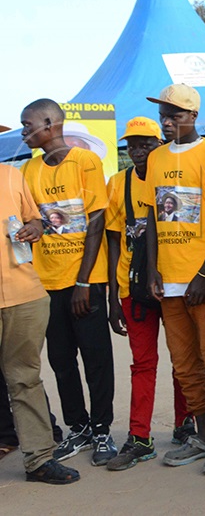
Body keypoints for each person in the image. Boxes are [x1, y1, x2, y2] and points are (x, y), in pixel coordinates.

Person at [143, 83, 205, 474]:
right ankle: (203, 434)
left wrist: (204, 273)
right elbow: (153, 217)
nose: (167, 121)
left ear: (193, 116)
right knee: (184, 363)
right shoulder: (155, 158)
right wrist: (153, 268)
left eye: (175, 114)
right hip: (168, 280)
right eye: (163, 114)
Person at [19, 98, 118, 465]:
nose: (25, 132)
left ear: (50, 122)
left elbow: (95, 222)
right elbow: (36, 219)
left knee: (96, 358)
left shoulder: (86, 162)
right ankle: (77, 427)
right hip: (46, 282)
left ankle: (102, 429)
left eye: (28, 125)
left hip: (84, 282)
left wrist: (83, 282)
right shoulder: (30, 171)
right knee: (61, 360)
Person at [104, 116, 192, 471]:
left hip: (172, 284)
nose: (138, 151)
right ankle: (140, 436)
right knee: (143, 363)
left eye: (146, 144)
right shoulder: (118, 184)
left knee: (182, 359)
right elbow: (113, 242)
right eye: (132, 145)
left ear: (159, 145)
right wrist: (113, 297)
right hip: (133, 289)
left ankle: (186, 423)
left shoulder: (173, 178)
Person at [0, 162, 80, 484]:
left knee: (25, 378)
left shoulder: (10, 175)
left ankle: (39, 460)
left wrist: (35, 228)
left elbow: (34, 219)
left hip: (23, 295)